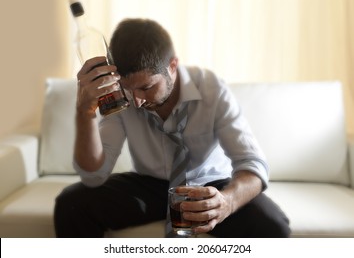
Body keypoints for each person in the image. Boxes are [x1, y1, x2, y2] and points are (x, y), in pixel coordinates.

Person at [54, 18, 290, 238]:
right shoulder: (122, 96)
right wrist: (84, 113)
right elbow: (94, 172)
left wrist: (226, 202)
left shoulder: (210, 88)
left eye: (146, 87)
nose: (136, 101)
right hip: (151, 185)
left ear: (173, 66)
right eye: (129, 88)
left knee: (273, 224)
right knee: (72, 203)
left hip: (210, 185)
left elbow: (253, 163)